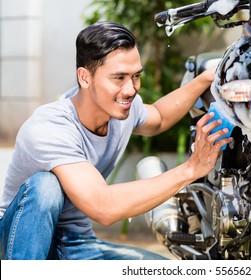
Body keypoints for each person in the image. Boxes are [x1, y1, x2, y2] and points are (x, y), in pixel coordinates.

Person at [0, 21, 232, 260]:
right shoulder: (50, 127)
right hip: (15, 241)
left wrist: (206, 78)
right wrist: (192, 169)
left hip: (73, 243)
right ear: (85, 77)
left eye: (136, 76)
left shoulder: (122, 109)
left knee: (161, 268)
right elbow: (103, 206)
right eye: (119, 77)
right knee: (45, 186)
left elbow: (160, 117)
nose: (131, 89)